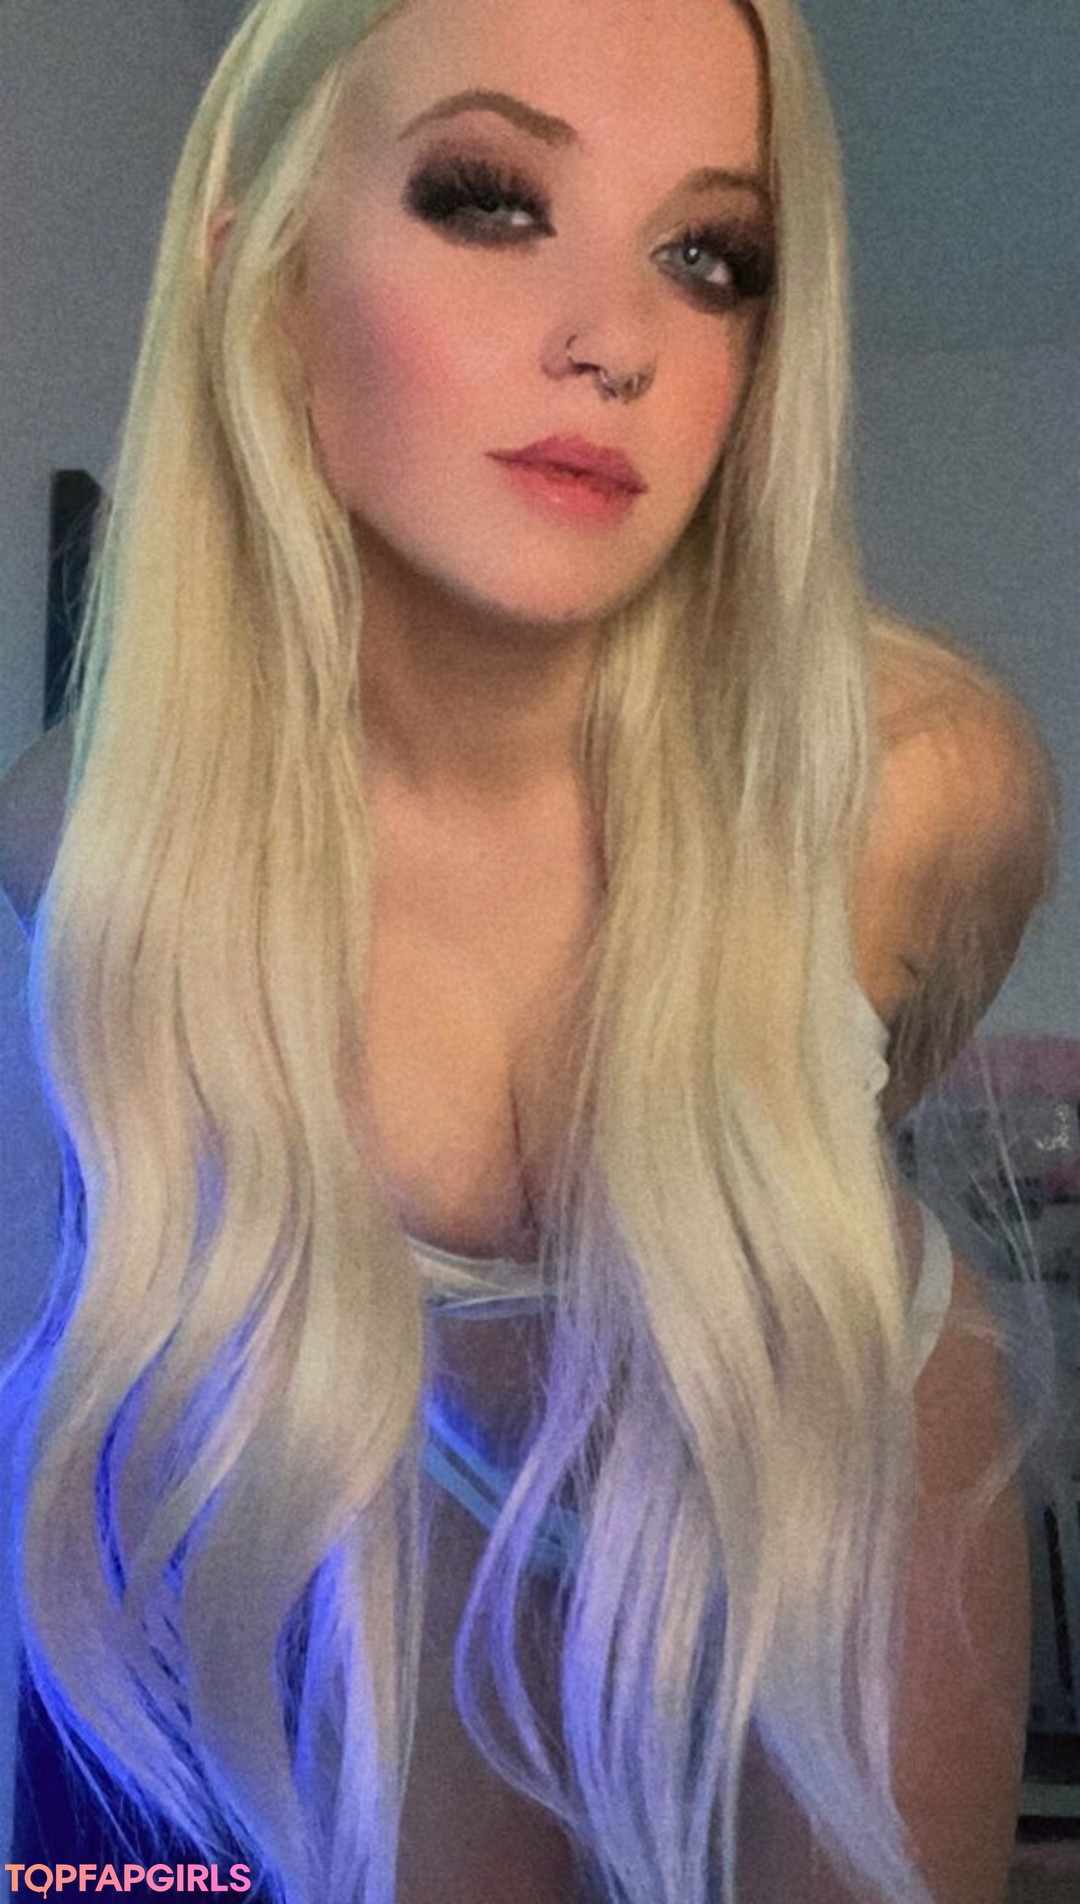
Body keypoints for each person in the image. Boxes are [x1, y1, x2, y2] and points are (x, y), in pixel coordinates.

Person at [0, 0, 1058, 1900]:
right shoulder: (89, 832)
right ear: (259, 264)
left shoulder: (913, 781)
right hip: (352, 1535)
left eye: (708, 255)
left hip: (821, 1507)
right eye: (489, 200)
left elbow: (873, 1096)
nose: (614, 341)